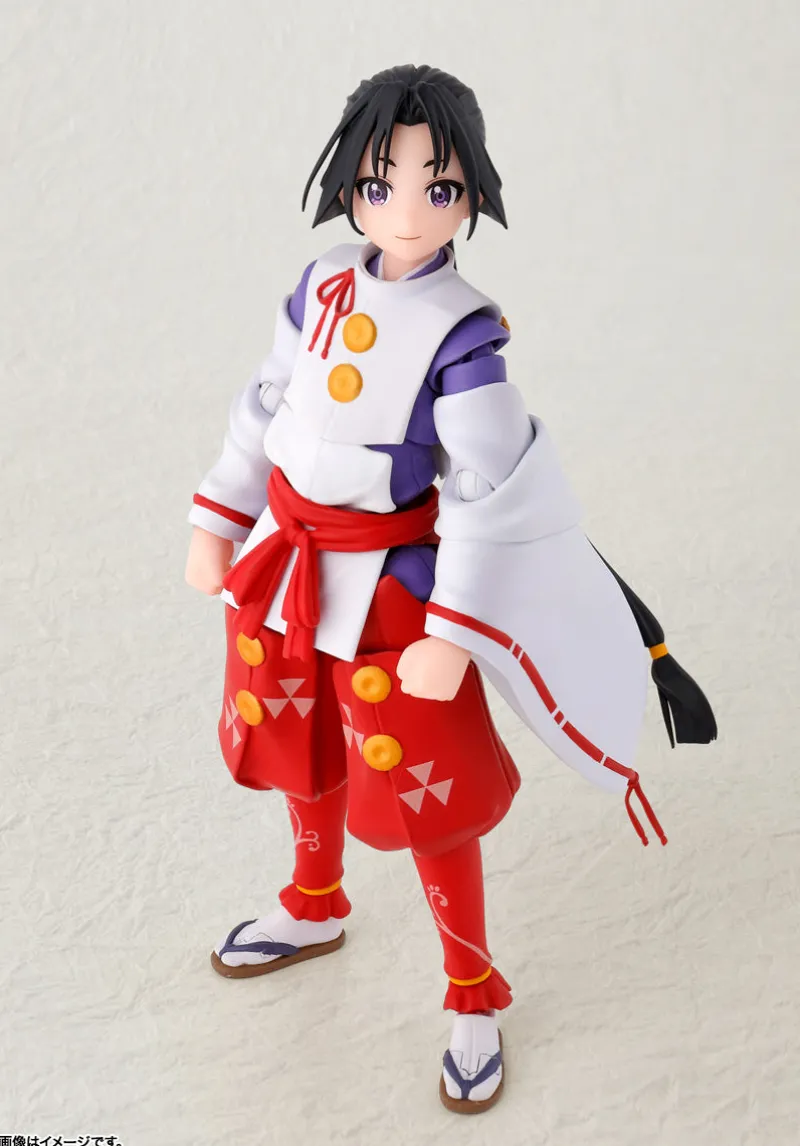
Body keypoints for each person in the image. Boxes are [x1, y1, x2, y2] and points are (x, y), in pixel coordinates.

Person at [184, 64, 716, 1114]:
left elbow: (486, 489)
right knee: (298, 739)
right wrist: (217, 514)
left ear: (469, 193)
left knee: (427, 796)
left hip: (391, 587)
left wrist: (453, 629)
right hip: (285, 566)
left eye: (439, 187)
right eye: (379, 183)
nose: (407, 210)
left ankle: (471, 989)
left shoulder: (465, 334)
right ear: (349, 186)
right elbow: (265, 405)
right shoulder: (319, 285)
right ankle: (314, 898)